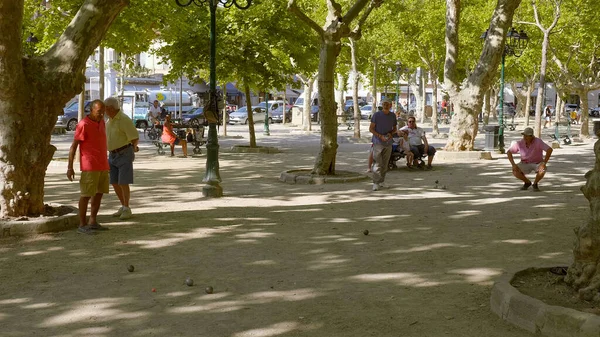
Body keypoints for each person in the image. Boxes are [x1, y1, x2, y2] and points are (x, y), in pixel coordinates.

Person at [67, 100, 110, 234]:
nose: (101, 114)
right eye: (99, 112)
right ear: (91, 110)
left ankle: (93, 221)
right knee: (86, 194)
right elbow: (74, 146)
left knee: (99, 193)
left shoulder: (102, 121)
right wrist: (70, 167)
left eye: (103, 112)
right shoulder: (84, 124)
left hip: (103, 163)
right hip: (89, 165)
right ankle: (82, 223)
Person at [104, 97, 139, 220]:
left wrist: (134, 148)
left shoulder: (124, 119)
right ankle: (123, 205)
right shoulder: (109, 121)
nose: (104, 111)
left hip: (124, 152)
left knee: (123, 182)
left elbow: (134, 137)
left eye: (105, 108)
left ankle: (127, 207)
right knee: (114, 182)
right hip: (112, 154)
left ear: (111, 108)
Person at [507, 127, 553, 191]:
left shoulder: (538, 141)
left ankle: (535, 184)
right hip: (525, 163)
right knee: (515, 170)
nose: (525, 138)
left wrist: (544, 163)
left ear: (531, 136)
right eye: (524, 136)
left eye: (527, 136)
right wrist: (513, 164)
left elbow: (549, 150)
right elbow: (509, 152)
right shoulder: (520, 143)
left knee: (542, 169)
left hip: (537, 163)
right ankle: (527, 182)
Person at [369, 98, 397, 191]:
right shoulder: (376, 115)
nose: (385, 105)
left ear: (390, 105)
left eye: (387, 103)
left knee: (385, 164)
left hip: (388, 142)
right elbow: (371, 128)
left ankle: (382, 181)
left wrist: (390, 134)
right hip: (378, 142)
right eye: (384, 103)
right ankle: (375, 183)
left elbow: (395, 128)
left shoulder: (393, 116)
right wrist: (379, 135)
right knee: (377, 163)